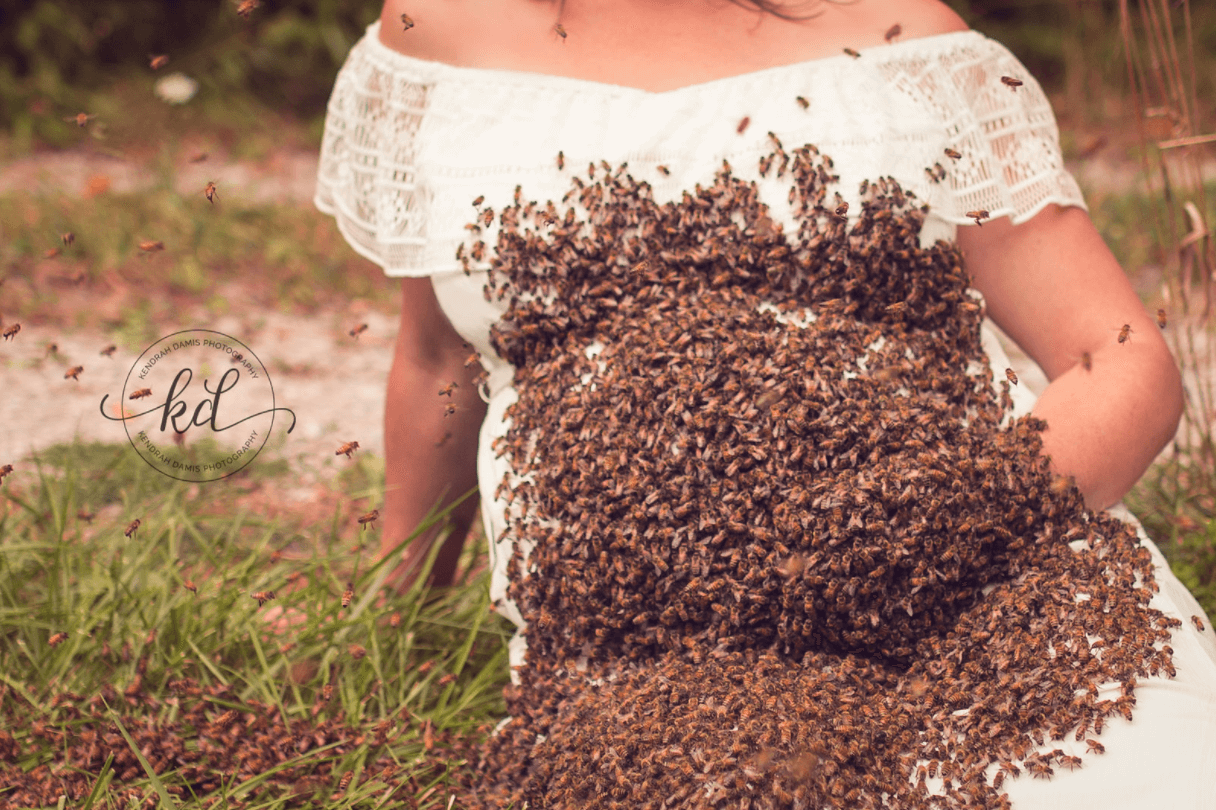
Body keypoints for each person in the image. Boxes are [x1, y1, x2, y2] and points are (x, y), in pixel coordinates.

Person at [314, 0, 1216, 805]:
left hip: (983, 600)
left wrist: (929, 528)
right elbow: (439, 359)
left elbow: (1122, 357)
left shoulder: (909, 40)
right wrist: (389, 616)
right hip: (637, 669)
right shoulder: (436, 32)